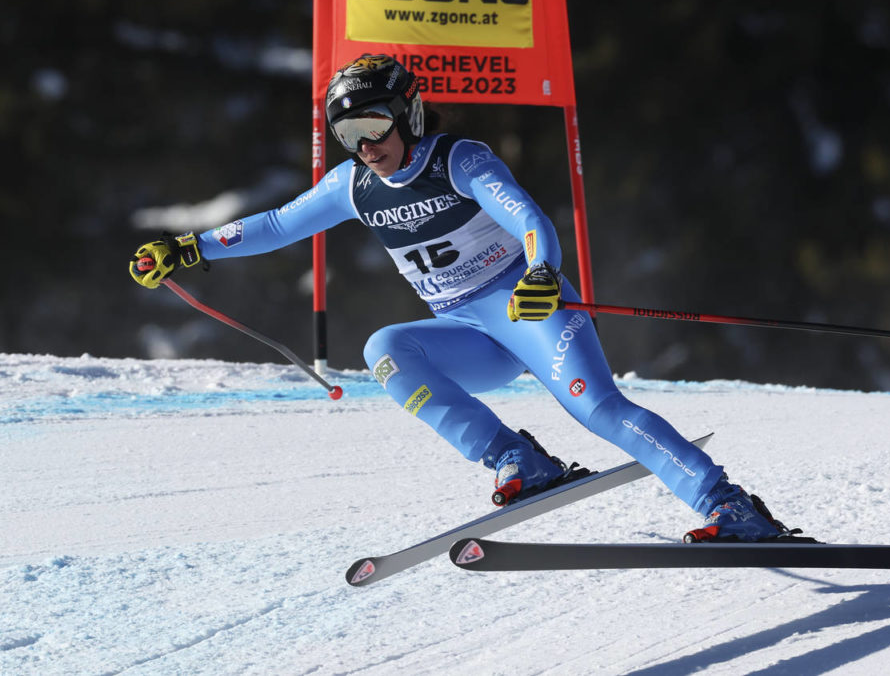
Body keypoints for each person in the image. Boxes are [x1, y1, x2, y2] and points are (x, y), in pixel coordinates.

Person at [130, 53, 791, 542]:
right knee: (386, 350)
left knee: (599, 409)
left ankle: (728, 504)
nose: (366, 147)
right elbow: (276, 225)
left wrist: (541, 273)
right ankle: (517, 459)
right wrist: (189, 248)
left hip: (529, 310)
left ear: (408, 114)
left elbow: (529, 219)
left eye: (375, 126)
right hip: (471, 334)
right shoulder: (353, 187)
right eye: (348, 135)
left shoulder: (460, 160)